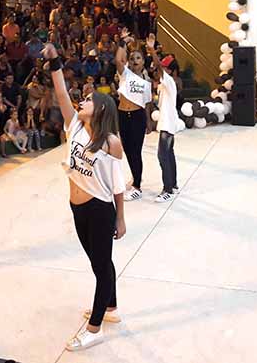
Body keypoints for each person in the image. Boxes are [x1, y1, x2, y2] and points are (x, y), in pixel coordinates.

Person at [42, 42, 127, 351]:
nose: (82, 100)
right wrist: (55, 61)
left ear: (102, 108)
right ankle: (112, 308)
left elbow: (118, 184)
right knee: (98, 263)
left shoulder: (112, 142)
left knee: (101, 267)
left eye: (89, 99)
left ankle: (95, 329)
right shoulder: (75, 127)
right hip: (76, 208)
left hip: (100, 210)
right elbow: (62, 93)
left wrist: (120, 217)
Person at [114, 29, 152, 201]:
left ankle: (137, 186)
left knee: (136, 151)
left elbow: (147, 103)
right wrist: (123, 42)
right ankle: (136, 176)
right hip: (123, 116)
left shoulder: (146, 81)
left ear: (143, 62)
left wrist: (149, 122)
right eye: (132, 58)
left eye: (138, 58)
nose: (135, 61)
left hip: (138, 117)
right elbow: (118, 59)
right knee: (128, 151)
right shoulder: (125, 75)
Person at [145, 33, 179, 202]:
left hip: (167, 124)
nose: (161, 70)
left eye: (165, 68)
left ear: (170, 70)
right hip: (167, 123)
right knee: (169, 153)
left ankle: (167, 189)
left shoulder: (169, 81)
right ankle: (173, 185)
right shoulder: (165, 84)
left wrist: (152, 50)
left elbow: (157, 66)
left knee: (162, 155)